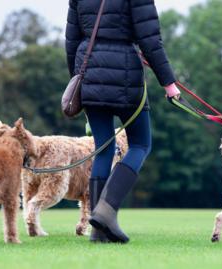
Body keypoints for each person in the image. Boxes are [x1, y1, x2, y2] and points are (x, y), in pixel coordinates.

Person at [65, 0, 181, 244]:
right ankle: (106, 211)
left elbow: (71, 40)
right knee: (140, 144)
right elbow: (150, 39)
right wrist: (169, 84)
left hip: (88, 74)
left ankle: (98, 231)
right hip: (126, 74)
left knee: (103, 149)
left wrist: (78, 82)